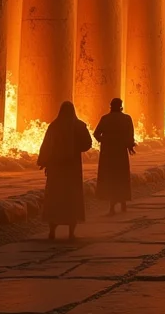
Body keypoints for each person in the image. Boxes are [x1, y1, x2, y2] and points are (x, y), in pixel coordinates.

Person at [38, 101, 93, 240]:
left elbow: (46, 145)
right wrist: (76, 148)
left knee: (55, 196)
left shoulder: (54, 126)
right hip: (72, 167)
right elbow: (88, 143)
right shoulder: (79, 125)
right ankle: (71, 232)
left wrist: (44, 161)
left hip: (56, 167)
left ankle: (52, 230)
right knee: (72, 197)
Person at [93, 98, 136, 215]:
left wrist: (104, 140)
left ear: (111, 106)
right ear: (120, 106)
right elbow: (130, 134)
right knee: (121, 176)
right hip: (120, 152)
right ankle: (123, 202)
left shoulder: (105, 119)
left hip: (108, 153)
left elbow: (96, 133)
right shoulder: (126, 119)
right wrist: (130, 146)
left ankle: (112, 205)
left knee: (111, 178)